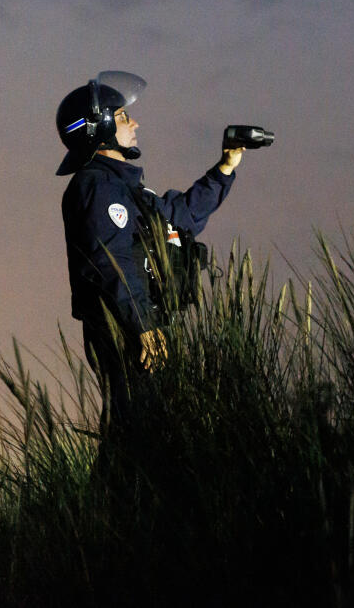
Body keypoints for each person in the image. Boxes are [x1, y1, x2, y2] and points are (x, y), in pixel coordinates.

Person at [56, 71, 242, 420]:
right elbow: (112, 261)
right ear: (102, 126)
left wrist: (225, 169)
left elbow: (180, 218)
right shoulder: (97, 188)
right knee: (134, 433)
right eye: (124, 116)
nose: (135, 123)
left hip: (141, 323)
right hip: (125, 329)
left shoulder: (127, 189)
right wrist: (142, 325)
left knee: (148, 434)